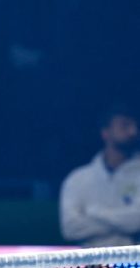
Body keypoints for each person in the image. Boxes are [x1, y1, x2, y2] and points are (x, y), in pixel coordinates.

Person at [60, 105, 140, 247]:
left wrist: (95, 213)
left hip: (132, 265)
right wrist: (123, 221)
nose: (133, 131)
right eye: (125, 125)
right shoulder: (77, 179)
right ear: (105, 133)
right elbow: (70, 228)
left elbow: (137, 220)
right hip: (89, 265)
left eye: (135, 126)